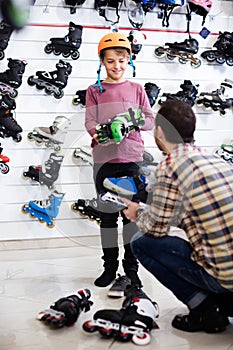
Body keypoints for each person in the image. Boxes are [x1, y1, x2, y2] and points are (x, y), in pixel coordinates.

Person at [123, 99, 233, 333]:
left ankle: (205, 311)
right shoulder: (217, 160)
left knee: (141, 243)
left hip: (225, 277)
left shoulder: (170, 167)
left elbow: (155, 229)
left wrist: (137, 212)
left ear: (160, 131)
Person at [84, 32, 154, 293]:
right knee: (107, 218)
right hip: (104, 162)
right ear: (102, 62)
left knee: (131, 219)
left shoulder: (137, 89)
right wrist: (99, 133)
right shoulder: (94, 91)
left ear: (129, 61)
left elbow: (150, 121)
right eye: (111, 61)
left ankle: (131, 270)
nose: (117, 66)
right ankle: (109, 268)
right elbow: (89, 121)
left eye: (122, 61)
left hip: (131, 160)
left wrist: (130, 121)